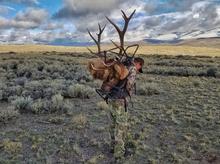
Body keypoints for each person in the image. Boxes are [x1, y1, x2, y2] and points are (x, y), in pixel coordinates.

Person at [107, 57, 144, 162]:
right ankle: (119, 153)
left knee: (113, 123)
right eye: (139, 68)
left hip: (110, 98)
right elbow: (129, 85)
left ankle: (112, 147)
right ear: (139, 64)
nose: (137, 70)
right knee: (121, 126)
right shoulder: (131, 69)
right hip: (120, 100)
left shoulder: (121, 66)